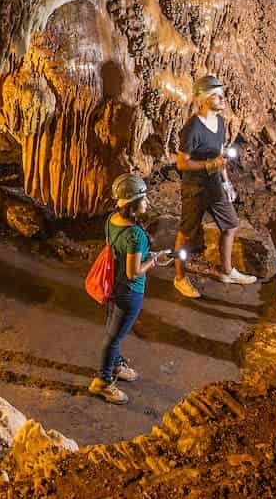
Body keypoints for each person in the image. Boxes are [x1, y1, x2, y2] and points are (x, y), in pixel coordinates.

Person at [172, 74, 257, 298]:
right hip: (195, 189)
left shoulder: (219, 122)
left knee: (230, 225)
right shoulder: (192, 128)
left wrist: (226, 181)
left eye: (222, 94)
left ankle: (227, 271)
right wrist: (210, 165)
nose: (223, 98)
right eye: (217, 95)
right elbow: (182, 162)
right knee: (186, 233)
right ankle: (179, 278)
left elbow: (220, 155)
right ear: (204, 99)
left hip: (216, 185)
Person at [91, 173, 171, 404]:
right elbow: (133, 271)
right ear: (133, 205)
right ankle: (103, 382)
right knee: (114, 338)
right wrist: (154, 260)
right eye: (143, 199)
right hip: (129, 291)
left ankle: (115, 365)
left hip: (112, 286)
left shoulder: (111, 220)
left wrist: (150, 255)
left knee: (112, 331)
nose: (147, 202)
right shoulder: (135, 235)